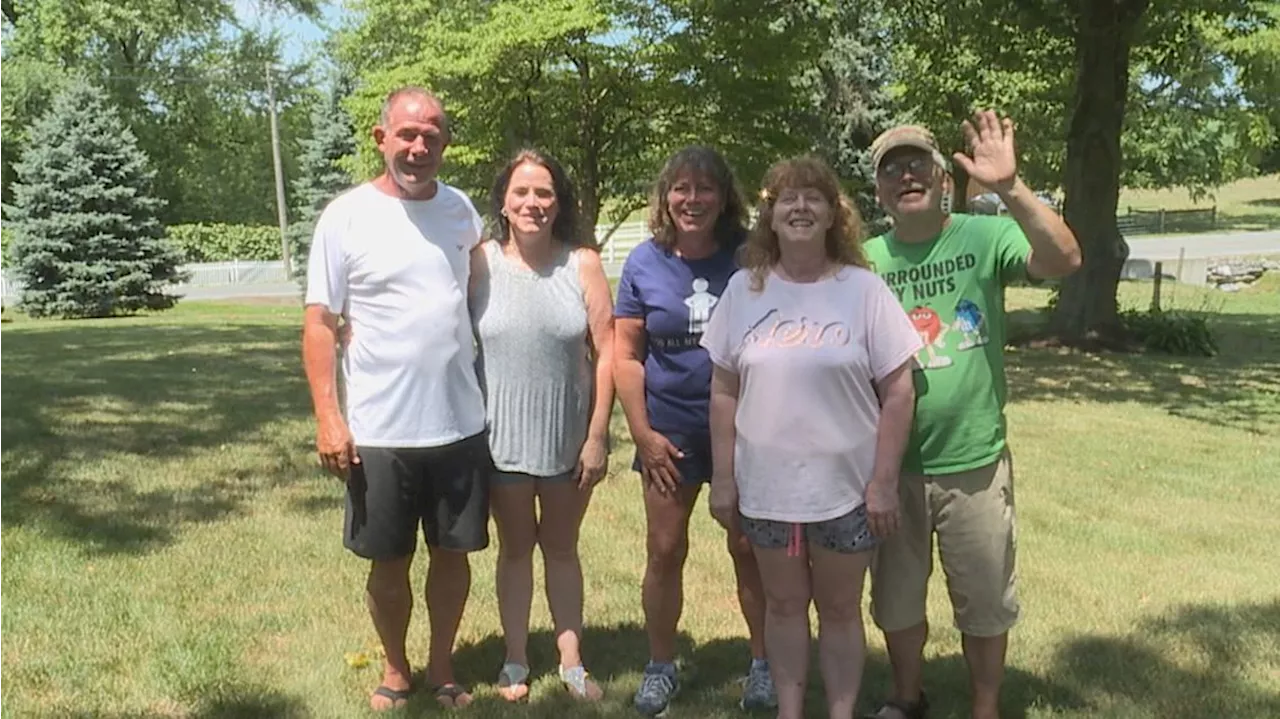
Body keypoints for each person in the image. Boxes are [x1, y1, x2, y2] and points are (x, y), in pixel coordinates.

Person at [860, 113, 1082, 719]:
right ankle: (906, 697)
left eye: (917, 164)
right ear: (879, 189)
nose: (906, 175)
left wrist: (1009, 187)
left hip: (975, 462)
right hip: (891, 467)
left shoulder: (985, 238)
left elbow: (1064, 258)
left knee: (983, 599)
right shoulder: (863, 260)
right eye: (891, 168)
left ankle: (985, 706)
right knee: (897, 602)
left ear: (941, 175)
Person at [702, 156, 921, 719]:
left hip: (847, 492)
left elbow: (899, 390)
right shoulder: (742, 292)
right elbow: (723, 392)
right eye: (786, 199)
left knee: (842, 610)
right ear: (769, 218)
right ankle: (790, 710)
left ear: (832, 215)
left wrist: (884, 482)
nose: (800, 207)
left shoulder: (864, 291)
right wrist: (723, 480)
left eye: (813, 198)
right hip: (766, 490)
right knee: (782, 606)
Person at [301, 86, 491, 712]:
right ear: (382, 139)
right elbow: (321, 323)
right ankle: (395, 668)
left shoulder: (462, 212)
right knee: (388, 560)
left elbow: (478, 299)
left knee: (452, 554)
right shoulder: (346, 216)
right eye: (406, 135)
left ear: (445, 144)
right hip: (379, 429)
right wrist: (330, 417)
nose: (418, 147)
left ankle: (442, 664)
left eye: (431, 136)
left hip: (459, 422)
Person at [614, 146, 775, 715]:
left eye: (705, 188)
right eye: (681, 188)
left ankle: (764, 665)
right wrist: (642, 433)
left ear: (724, 197)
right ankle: (660, 666)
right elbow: (626, 355)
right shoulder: (642, 263)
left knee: (748, 546)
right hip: (670, 430)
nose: (692, 199)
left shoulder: (750, 256)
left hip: (746, 428)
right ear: (665, 197)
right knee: (664, 549)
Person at [469, 149, 615, 702]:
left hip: (567, 441)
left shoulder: (583, 264)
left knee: (561, 548)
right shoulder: (479, 262)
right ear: (504, 202)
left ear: (560, 203)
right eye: (522, 193)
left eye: (545, 193)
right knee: (514, 551)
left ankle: (572, 660)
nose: (533, 203)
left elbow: (607, 351)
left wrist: (597, 434)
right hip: (499, 440)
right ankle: (514, 659)